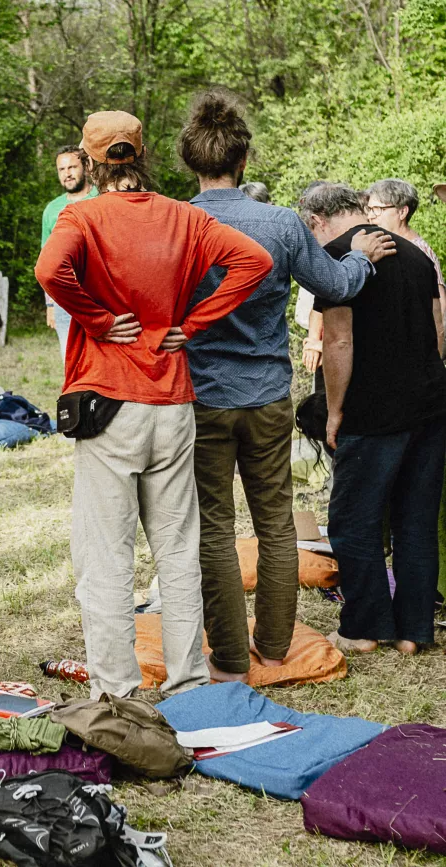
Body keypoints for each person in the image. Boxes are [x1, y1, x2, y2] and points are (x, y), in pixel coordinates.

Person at [35, 110, 273, 700]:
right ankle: (191, 680)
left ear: (89, 162)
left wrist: (93, 318)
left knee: (106, 557)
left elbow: (48, 269)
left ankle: (116, 690)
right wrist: (193, 324)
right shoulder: (185, 216)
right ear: (143, 154)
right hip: (173, 399)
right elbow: (255, 263)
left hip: (109, 403)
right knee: (177, 549)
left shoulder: (81, 214)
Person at [176, 91, 396, 682]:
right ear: (243, 160)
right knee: (275, 523)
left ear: (191, 161)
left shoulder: (176, 222)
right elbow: (336, 284)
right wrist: (363, 254)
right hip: (267, 393)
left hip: (199, 395)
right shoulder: (279, 223)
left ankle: (226, 657)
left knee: (214, 527)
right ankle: (273, 647)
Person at [299, 182, 446, 656]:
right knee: (415, 520)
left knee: (353, 520)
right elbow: (439, 331)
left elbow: (339, 342)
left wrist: (335, 410)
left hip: (373, 409)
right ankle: (413, 630)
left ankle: (363, 628)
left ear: (317, 221)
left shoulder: (336, 260)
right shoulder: (417, 254)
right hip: (429, 404)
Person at [366, 179, 446, 346]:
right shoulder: (381, 246)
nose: (370, 215)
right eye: (370, 208)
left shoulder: (420, 252)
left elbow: (440, 309)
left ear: (402, 212)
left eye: (378, 209)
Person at [42, 146, 99, 359]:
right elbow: (47, 261)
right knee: (70, 361)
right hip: (64, 298)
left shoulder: (101, 198)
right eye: (61, 169)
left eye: (72, 167)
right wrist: (50, 305)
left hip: (99, 295)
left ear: (86, 166)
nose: (67, 173)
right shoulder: (52, 210)